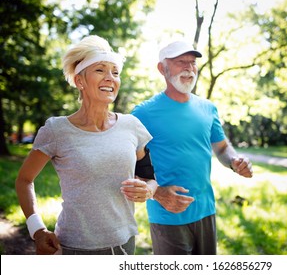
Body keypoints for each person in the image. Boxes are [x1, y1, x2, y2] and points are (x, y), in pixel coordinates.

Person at [15, 35, 158, 255]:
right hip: (74, 247)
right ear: (80, 81)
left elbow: (150, 178)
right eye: (100, 70)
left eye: (115, 72)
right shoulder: (57, 130)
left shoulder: (132, 126)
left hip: (124, 245)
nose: (110, 78)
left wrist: (147, 191)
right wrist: (38, 231)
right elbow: (24, 180)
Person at [131, 41, 253, 255]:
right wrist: (157, 193)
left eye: (192, 62)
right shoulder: (143, 113)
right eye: (180, 62)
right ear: (162, 68)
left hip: (206, 210)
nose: (189, 67)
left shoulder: (208, 108)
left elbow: (223, 148)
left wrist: (234, 162)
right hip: (168, 214)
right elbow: (125, 164)